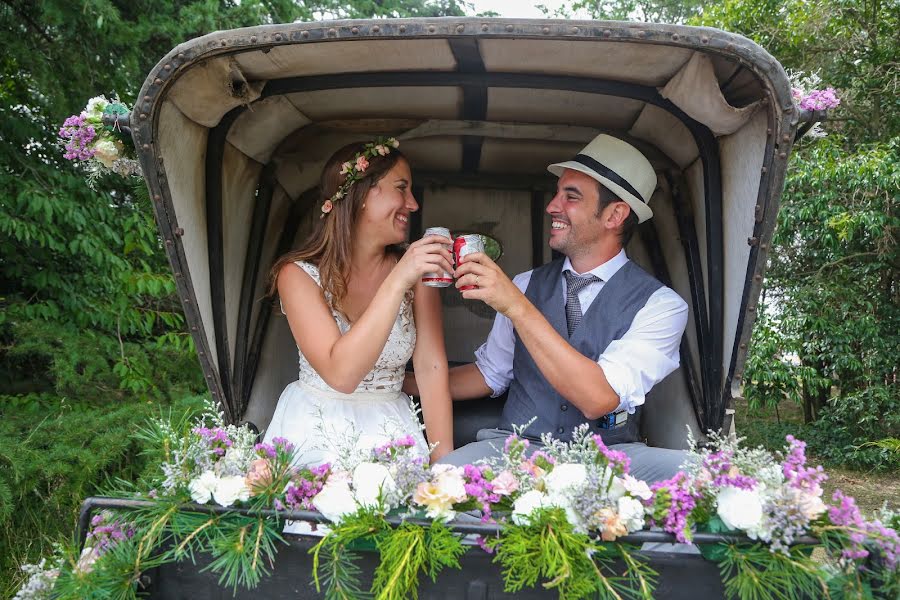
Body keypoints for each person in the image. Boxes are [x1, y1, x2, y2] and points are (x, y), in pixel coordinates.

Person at [428, 134, 689, 483]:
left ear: (615, 214)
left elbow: (598, 399)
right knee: (441, 482)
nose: (552, 206)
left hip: (609, 457)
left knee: (704, 476)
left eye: (571, 197)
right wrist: (399, 381)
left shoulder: (662, 306)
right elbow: (490, 374)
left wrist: (516, 306)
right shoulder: (525, 284)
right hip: (515, 450)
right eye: (557, 193)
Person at [263, 138, 455, 467]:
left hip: (393, 432)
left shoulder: (418, 276)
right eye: (401, 188)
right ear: (364, 194)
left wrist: (444, 464)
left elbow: (431, 369)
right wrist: (399, 279)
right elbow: (342, 374)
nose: (412, 204)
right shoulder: (295, 276)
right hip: (314, 431)